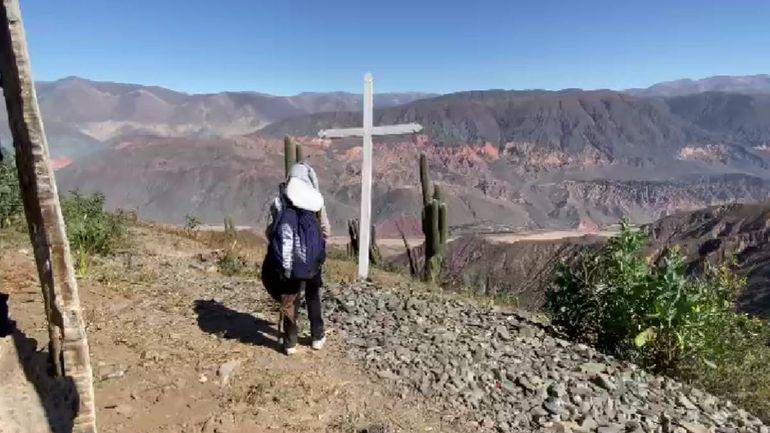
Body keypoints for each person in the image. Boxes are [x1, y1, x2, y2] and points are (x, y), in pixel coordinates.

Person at [262, 161, 331, 355]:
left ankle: (290, 341)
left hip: (288, 262)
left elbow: (270, 231)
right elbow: (326, 229)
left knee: (289, 297)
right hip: (313, 263)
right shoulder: (316, 202)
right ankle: (317, 336)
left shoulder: (279, 201)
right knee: (313, 294)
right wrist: (317, 249)